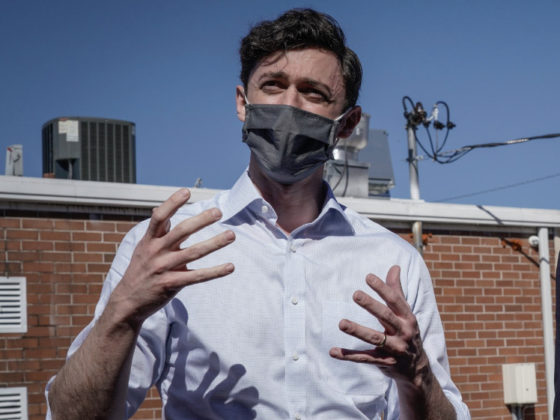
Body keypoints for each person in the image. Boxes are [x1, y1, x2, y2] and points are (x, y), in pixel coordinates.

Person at [46, 8, 470, 420]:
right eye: (272, 85)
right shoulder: (165, 249)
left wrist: (418, 377)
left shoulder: (393, 262)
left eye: (313, 93)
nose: (289, 106)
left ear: (347, 124)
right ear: (242, 103)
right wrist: (122, 313)